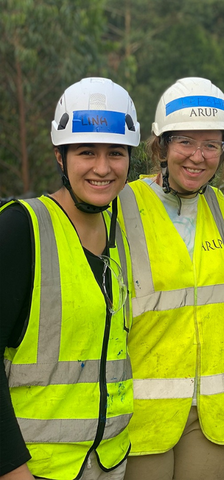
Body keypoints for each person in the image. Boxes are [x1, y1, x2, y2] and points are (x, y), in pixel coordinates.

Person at [0, 77, 140, 480]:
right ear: (60, 157)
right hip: (37, 469)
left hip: (111, 462)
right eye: (86, 152)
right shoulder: (21, 230)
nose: (102, 167)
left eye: (116, 153)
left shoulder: (121, 229)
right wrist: (11, 469)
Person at [119, 77, 224, 480]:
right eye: (186, 141)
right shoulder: (123, 204)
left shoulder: (221, 208)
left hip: (210, 412)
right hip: (145, 414)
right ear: (161, 145)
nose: (198, 157)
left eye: (211, 145)